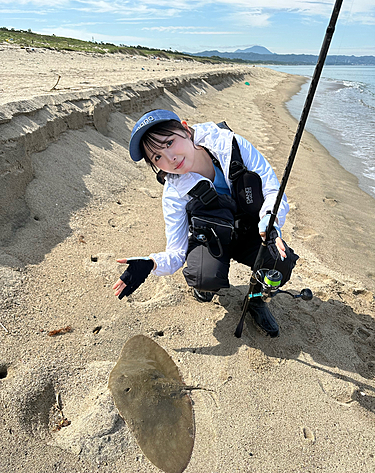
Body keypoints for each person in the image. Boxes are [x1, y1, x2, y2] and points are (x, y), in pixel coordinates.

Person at [113, 109, 299, 337]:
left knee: (281, 262)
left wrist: (270, 221)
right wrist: (150, 263)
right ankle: (205, 286)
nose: (170, 158)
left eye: (170, 142)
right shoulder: (174, 192)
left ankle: (255, 299)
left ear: (185, 129)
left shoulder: (232, 145)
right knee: (203, 277)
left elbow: (272, 189)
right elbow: (176, 252)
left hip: (253, 230)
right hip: (213, 237)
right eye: (157, 157)